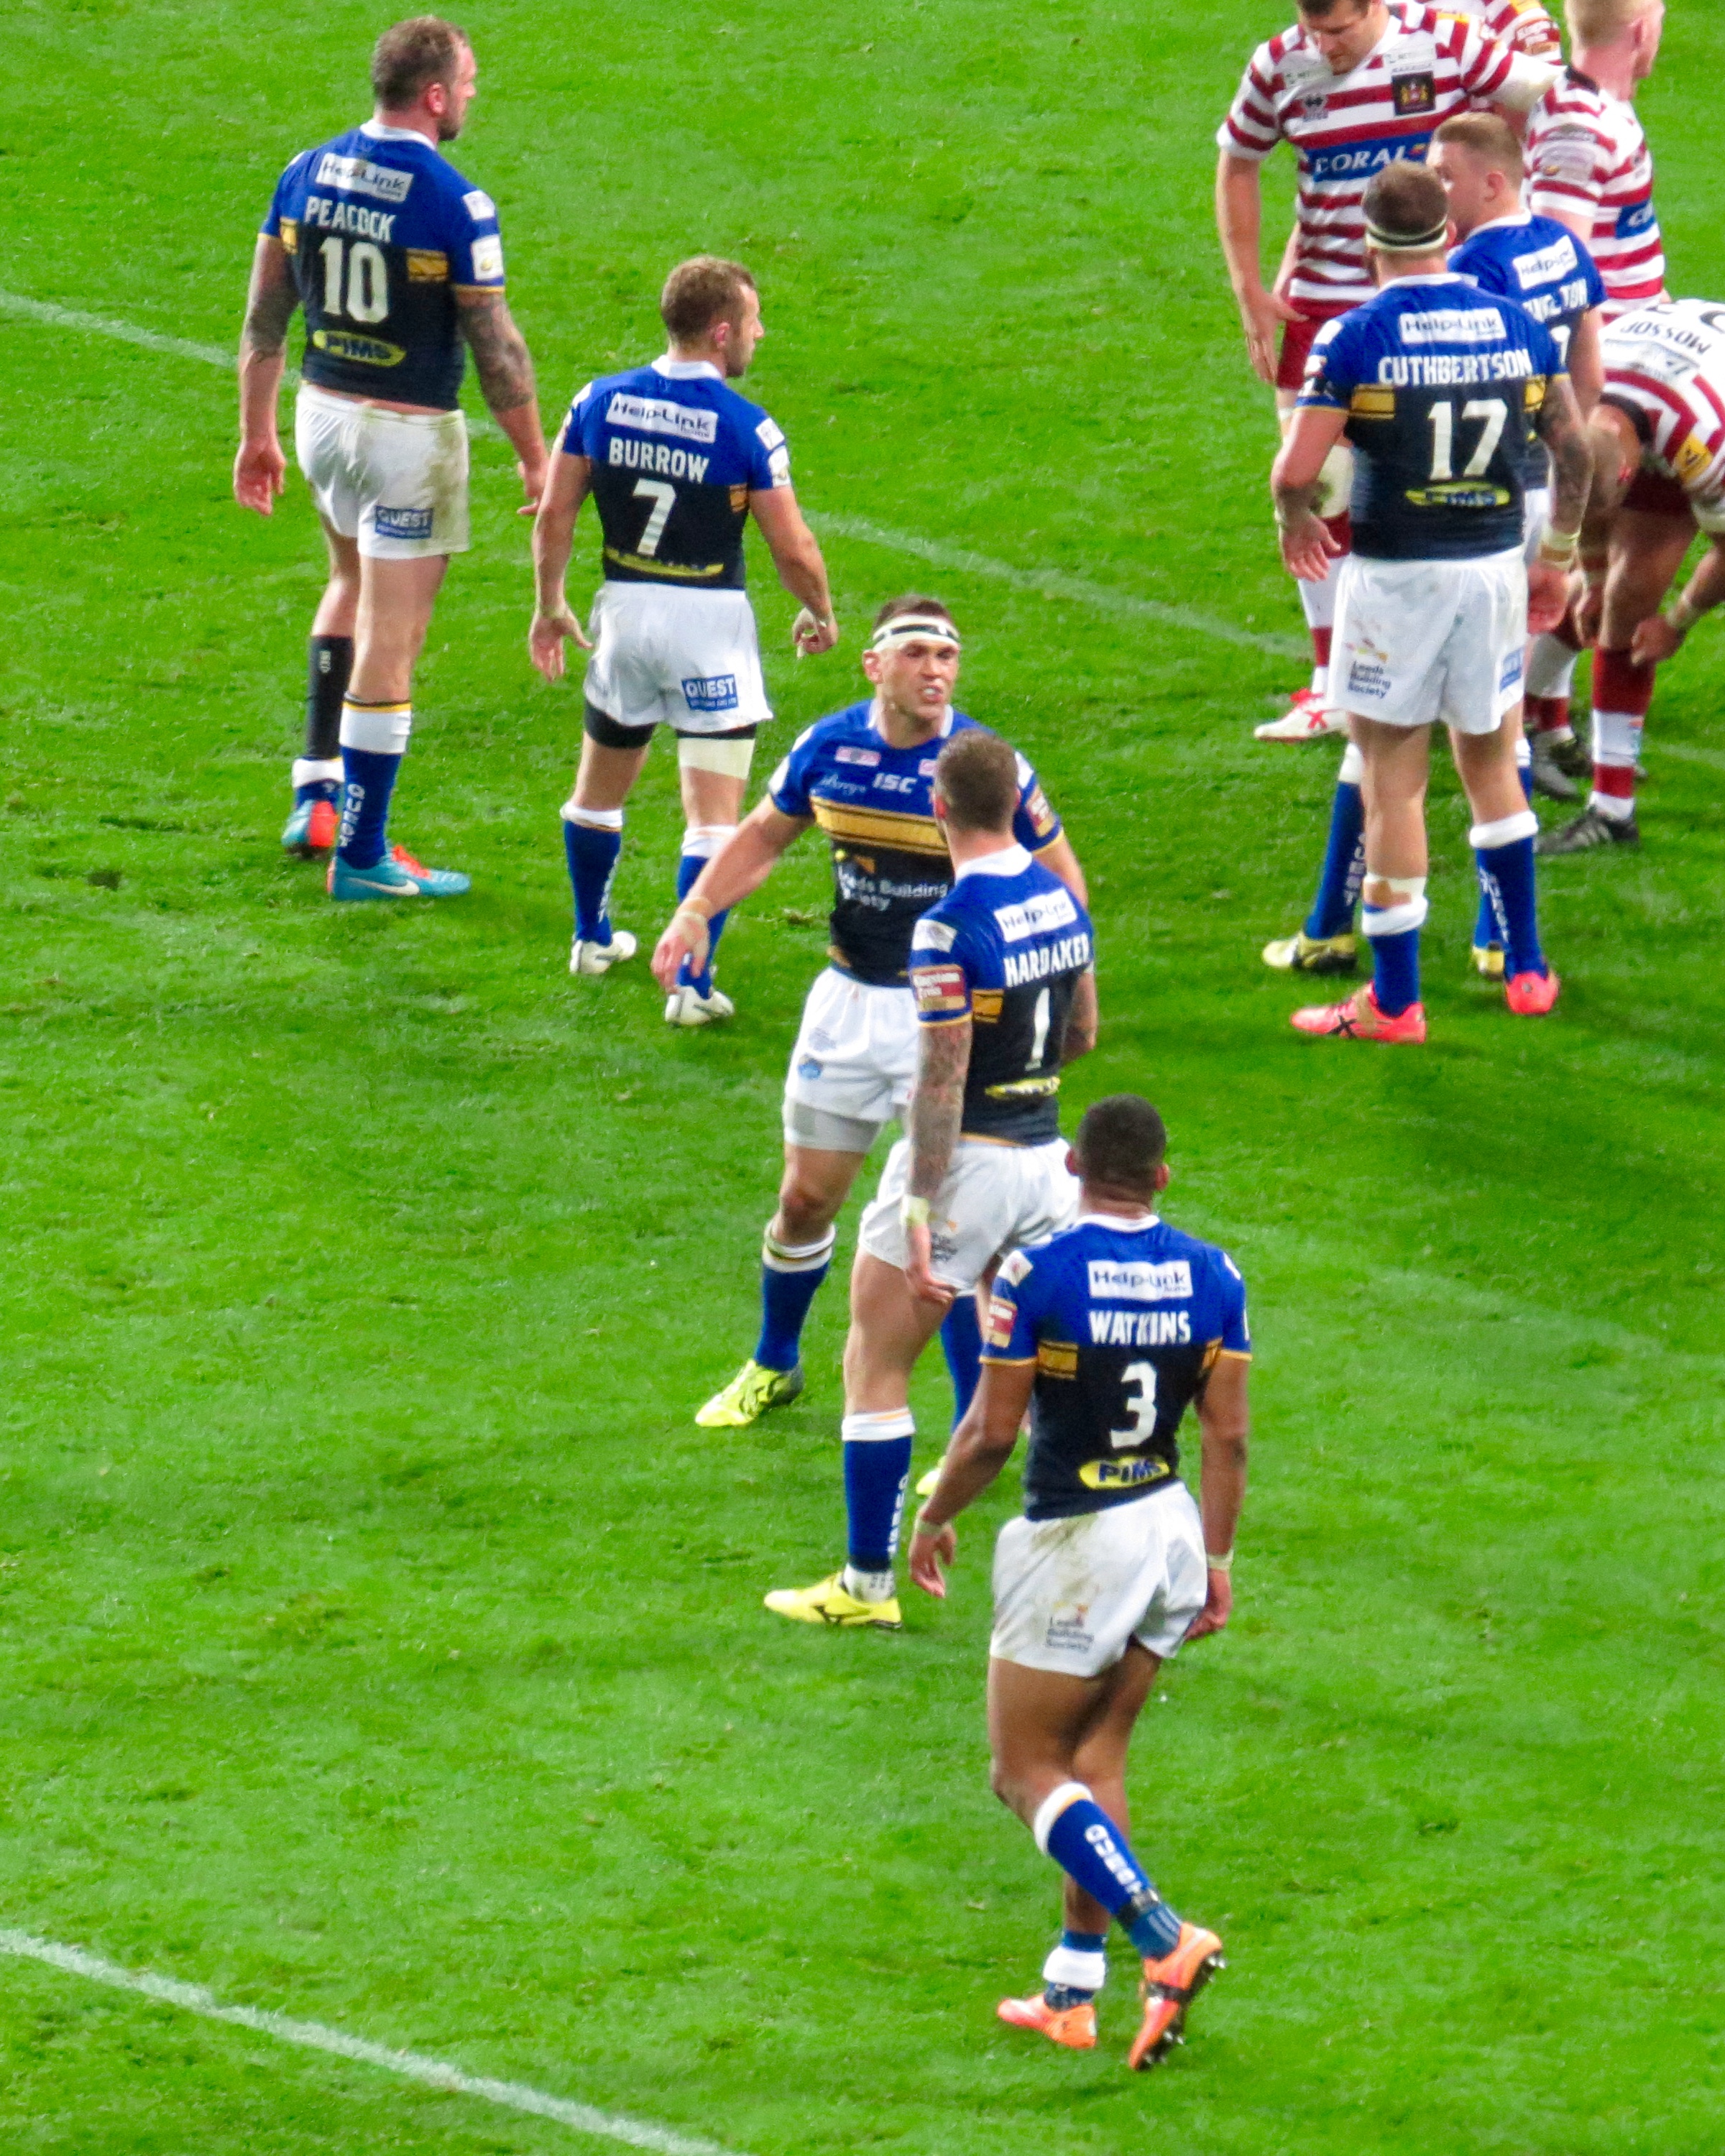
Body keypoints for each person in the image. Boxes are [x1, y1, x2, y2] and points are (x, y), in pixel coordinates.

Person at [653, 599, 1085, 1433]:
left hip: (951, 1021)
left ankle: (969, 1427)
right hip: (848, 1003)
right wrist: (696, 910)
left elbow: (1063, 885)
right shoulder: (830, 748)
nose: (936, 671)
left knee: (952, 1233)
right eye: (917, 653)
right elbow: (763, 835)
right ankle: (775, 1363)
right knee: (805, 1199)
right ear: (874, 665)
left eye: (948, 656)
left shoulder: (983, 771)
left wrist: (1034, 1001)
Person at [906, 1095, 1249, 2072]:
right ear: (1162, 1178)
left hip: (1078, 1539)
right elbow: (1228, 1435)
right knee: (1096, 1759)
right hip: (1170, 1531)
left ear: (1073, 1169)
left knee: (1024, 1770)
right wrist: (1217, 1561)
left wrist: (934, 1516)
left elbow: (992, 1431)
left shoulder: (1038, 1273)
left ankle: (1164, 1937)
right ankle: (1072, 1993)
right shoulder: (1216, 1274)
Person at [762, 729, 1096, 1631]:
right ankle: (1079, 1580)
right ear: (1015, 805)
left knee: (874, 1364)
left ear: (938, 807)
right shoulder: (1064, 901)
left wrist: (918, 1204)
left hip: (969, 1165)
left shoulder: (948, 927)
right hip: (1049, 1165)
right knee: (1046, 1377)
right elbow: (1083, 1033)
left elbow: (942, 1084)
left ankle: (866, 1586)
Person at [1263, 109, 1607, 978]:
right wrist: (1558, 557)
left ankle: (1389, 989)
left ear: (1368, 244)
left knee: (1390, 773)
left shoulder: (1355, 335)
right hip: (1500, 553)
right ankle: (1519, 960)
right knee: (1496, 754)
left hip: (1400, 573)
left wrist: (1294, 517)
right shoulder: (1523, 309)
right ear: (1445, 233)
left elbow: (1297, 470)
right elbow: (1577, 441)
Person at [235, 16, 545, 898]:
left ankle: (316, 793)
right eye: (468, 83)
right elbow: (496, 350)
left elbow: (265, 319)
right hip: (407, 440)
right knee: (393, 639)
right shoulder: (455, 202)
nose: (474, 95)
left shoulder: (305, 170)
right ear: (435, 95)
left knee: (347, 582)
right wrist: (535, 456)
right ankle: (364, 856)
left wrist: (257, 434)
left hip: (321, 417)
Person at [1215, 0, 1535, 745]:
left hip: (1427, 307)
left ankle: (1463, 674)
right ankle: (1333, 684)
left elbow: (1531, 98)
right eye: (1315, 31)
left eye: (1341, 31)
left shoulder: (1441, 42)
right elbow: (1238, 162)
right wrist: (1248, 287)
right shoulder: (1278, 65)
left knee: (1436, 488)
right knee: (1318, 489)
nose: (1326, 47)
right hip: (1323, 306)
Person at [528, 257, 837, 1026]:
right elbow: (793, 547)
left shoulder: (597, 400)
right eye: (754, 322)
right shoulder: (747, 428)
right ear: (722, 331)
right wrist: (820, 610)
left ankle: (591, 938)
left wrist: (549, 605)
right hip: (709, 624)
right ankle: (692, 988)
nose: (761, 334)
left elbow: (555, 513)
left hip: (624, 615)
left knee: (596, 795)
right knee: (712, 819)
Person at [1521, 0, 1667, 788]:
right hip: (1597, 386)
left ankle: (1547, 719)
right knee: (1589, 558)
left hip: (1624, 372)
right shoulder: (1582, 128)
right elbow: (1558, 270)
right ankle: (1520, 720)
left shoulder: (1598, 110)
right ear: (1643, 28)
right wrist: (1573, 411)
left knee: (1596, 558)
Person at [1536, 300, 1725, 854]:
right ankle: (1539, 729)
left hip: (1697, 409)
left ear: (1628, 475)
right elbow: (1586, 509)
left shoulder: (1703, 436)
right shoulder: (1566, 405)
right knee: (1606, 598)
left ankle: (1610, 809)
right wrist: (1593, 580)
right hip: (1649, 391)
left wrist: (1679, 622)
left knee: (1632, 602)